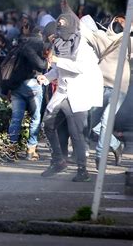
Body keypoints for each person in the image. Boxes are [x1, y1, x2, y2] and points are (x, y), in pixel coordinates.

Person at [37, 11, 103, 182]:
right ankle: (58, 160)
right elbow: (59, 69)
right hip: (63, 92)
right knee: (47, 125)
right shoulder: (60, 44)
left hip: (79, 94)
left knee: (77, 135)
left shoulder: (83, 46)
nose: (62, 37)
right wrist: (48, 77)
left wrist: (58, 61)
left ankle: (83, 170)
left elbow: (80, 68)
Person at [80, 14, 132, 169]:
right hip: (100, 86)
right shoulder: (101, 37)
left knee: (106, 121)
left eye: (125, 22)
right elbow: (83, 29)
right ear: (114, 22)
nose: (121, 24)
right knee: (90, 122)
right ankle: (116, 145)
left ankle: (100, 155)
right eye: (119, 21)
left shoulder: (129, 41)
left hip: (119, 88)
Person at [5, 29, 48, 161]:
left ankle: (11, 150)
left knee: (16, 118)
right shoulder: (34, 46)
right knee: (35, 117)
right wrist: (47, 62)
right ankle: (31, 150)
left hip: (17, 87)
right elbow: (40, 64)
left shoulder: (21, 45)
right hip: (32, 85)